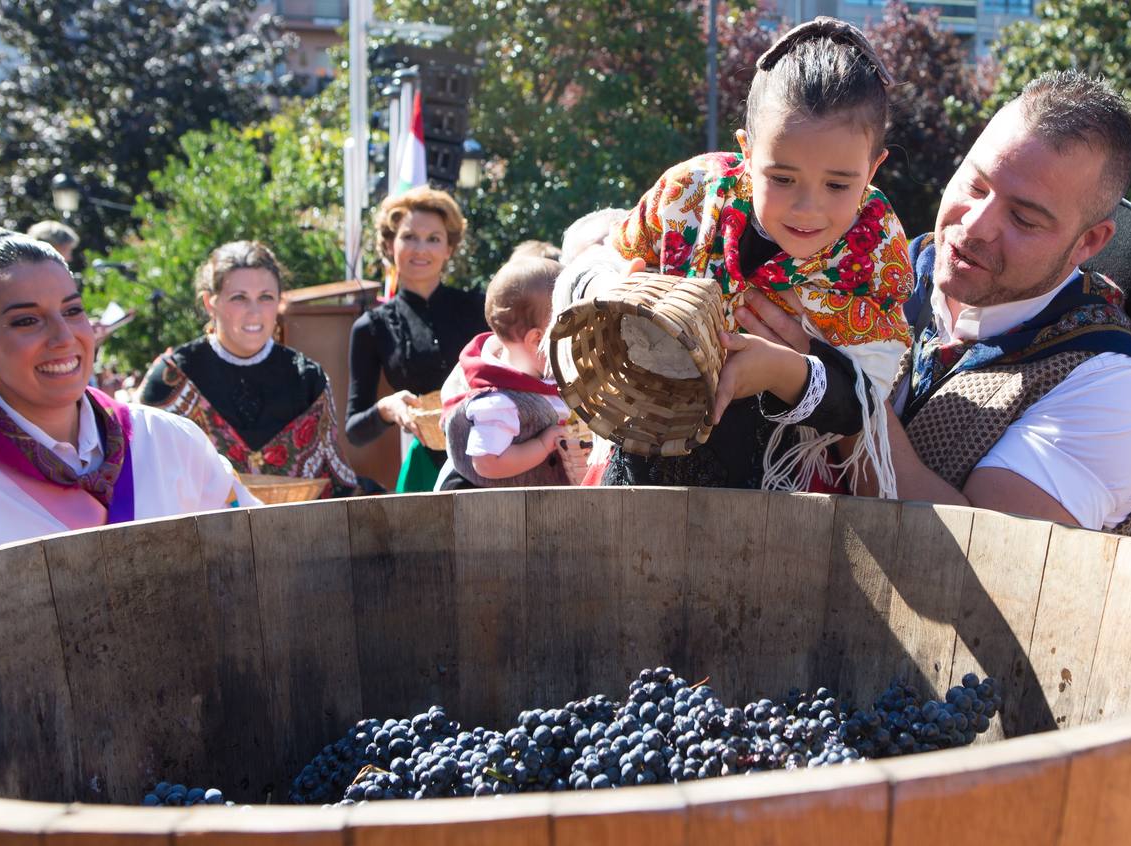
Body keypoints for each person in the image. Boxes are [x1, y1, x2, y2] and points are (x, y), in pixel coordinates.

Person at [572, 18, 914, 493]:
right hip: (640, 460)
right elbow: (603, 262)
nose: (806, 206)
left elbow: (863, 400)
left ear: (874, 167)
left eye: (838, 184)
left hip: (780, 491)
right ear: (747, 152)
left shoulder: (875, 247)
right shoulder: (688, 194)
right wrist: (610, 288)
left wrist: (782, 371)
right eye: (781, 177)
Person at [853, 71, 1131, 530]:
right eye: (975, 186)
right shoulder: (870, 268)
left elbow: (988, 565)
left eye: (1023, 218)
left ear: (1089, 241)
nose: (975, 225)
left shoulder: (1116, 390)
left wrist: (838, 398)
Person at [0, 228, 255, 568]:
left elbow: (255, 553)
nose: (63, 337)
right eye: (27, 320)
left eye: (73, 311)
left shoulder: (168, 441)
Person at [138, 241, 356, 497]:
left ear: (279, 302)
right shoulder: (172, 380)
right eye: (239, 298)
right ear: (210, 302)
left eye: (265, 297)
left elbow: (336, 485)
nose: (255, 312)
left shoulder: (308, 379)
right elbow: (144, 476)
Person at [345, 188, 489, 492]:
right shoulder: (371, 326)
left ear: (449, 248)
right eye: (409, 237)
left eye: (434, 239)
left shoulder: (481, 308)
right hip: (426, 471)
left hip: (492, 458)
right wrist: (386, 409)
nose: (421, 249)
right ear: (389, 244)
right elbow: (355, 430)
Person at [439, 257, 570, 488]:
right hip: (493, 510)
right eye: (567, 334)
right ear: (537, 339)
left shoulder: (530, 378)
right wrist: (541, 445)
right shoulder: (499, 401)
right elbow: (487, 463)